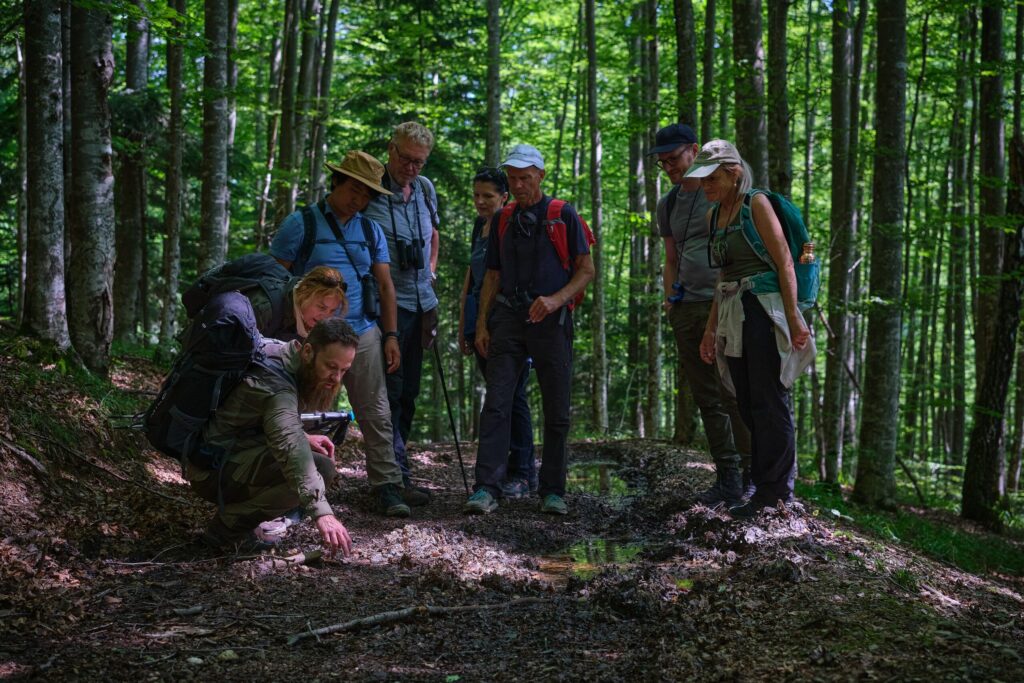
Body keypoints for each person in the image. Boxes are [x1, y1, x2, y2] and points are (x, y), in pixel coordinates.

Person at [270, 149, 422, 518]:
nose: (360, 200)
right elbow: (274, 280)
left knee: (377, 411)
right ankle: (298, 491)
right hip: (315, 337)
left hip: (362, 330)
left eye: (367, 193)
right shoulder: (301, 224)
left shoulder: (370, 230)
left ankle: (386, 486)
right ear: (336, 183)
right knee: (305, 414)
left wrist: (391, 335)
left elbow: (386, 287)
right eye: (354, 189)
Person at [686, 139, 815, 518]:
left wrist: (793, 318)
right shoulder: (715, 216)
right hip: (734, 312)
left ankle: (777, 495)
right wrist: (710, 330)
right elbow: (722, 276)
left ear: (733, 173)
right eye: (702, 179)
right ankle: (761, 484)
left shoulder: (755, 204)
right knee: (745, 399)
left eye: (711, 178)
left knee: (769, 398)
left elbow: (785, 264)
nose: (705, 185)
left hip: (765, 308)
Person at [463, 144, 594, 516]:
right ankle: (486, 488)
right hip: (507, 319)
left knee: (557, 408)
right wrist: (483, 324)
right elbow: (491, 275)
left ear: (540, 174)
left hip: (551, 321)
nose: (518, 185)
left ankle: (553, 491)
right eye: (513, 178)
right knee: (497, 403)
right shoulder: (502, 219)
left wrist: (555, 300)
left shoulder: (562, 215)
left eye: (524, 177)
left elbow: (586, 270)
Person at [186, 318, 357, 555]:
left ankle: (235, 521)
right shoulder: (278, 386)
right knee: (319, 469)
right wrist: (323, 513)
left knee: (316, 461)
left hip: (213, 454)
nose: (336, 378)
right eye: (331, 366)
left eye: (344, 370)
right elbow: (291, 449)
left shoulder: (281, 353)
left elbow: (262, 418)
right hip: (212, 469)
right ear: (308, 351)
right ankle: (226, 530)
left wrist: (303, 435)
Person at [651, 123, 751, 508]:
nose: (669, 168)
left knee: (734, 392)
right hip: (687, 308)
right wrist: (670, 302)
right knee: (707, 398)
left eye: (674, 159)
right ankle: (726, 480)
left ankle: (751, 477)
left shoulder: (722, 191)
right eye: (663, 163)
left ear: (693, 150)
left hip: (729, 304)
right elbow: (671, 258)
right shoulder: (669, 204)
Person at [363, 122, 440, 497]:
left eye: (420, 163)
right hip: (384, 308)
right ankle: (389, 480)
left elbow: (434, 235)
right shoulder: (371, 188)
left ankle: (400, 470)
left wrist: (431, 271)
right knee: (387, 393)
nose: (412, 168)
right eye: (407, 159)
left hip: (422, 303)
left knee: (409, 391)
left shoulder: (425, 190)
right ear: (391, 149)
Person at [458, 167, 538, 498]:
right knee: (500, 393)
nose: (480, 201)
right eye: (476, 195)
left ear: (503, 196)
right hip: (481, 320)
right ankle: (509, 470)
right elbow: (473, 277)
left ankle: (523, 472)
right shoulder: (480, 225)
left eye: (488, 196)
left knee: (513, 395)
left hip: (508, 321)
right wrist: (466, 323)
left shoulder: (512, 223)